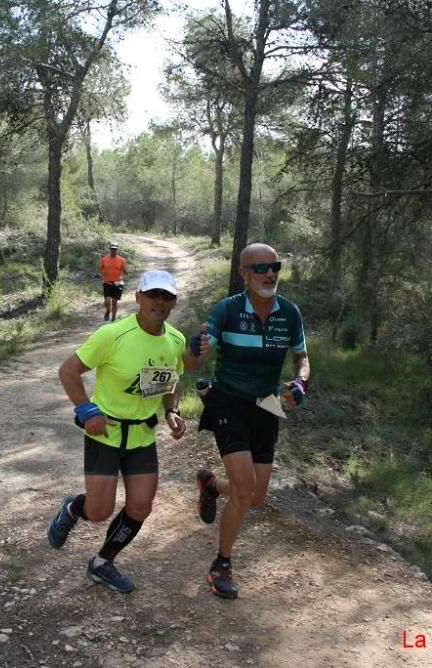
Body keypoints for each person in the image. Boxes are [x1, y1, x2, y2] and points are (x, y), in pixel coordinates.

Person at [47, 269, 192, 593]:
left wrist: (172, 411)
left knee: (140, 506)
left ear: (174, 302)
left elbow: (171, 380)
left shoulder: (176, 340)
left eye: (166, 296)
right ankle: (73, 508)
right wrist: (87, 411)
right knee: (98, 512)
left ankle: (102, 564)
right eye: (153, 295)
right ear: (138, 297)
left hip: (142, 435)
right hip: (106, 433)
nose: (159, 302)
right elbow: (68, 370)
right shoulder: (112, 335)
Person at [183, 243, 310, 599]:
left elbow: (302, 358)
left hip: (268, 403)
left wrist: (301, 382)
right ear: (244, 274)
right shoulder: (227, 310)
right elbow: (191, 363)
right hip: (229, 401)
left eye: (276, 266)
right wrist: (193, 351)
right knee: (243, 490)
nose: (271, 274)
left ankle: (210, 486)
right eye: (261, 268)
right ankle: (222, 564)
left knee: (255, 498)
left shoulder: (290, 313)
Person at [98, 242, 127, 321]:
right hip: (107, 282)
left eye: (115, 249)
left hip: (117, 283)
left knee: (114, 302)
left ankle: (113, 318)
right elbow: (100, 269)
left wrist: (124, 275)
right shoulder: (104, 259)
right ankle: (108, 310)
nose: (113, 250)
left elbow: (124, 270)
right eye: (112, 249)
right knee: (107, 301)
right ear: (110, 249)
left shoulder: (122, 260)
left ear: (117, 249)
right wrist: (101, 274)